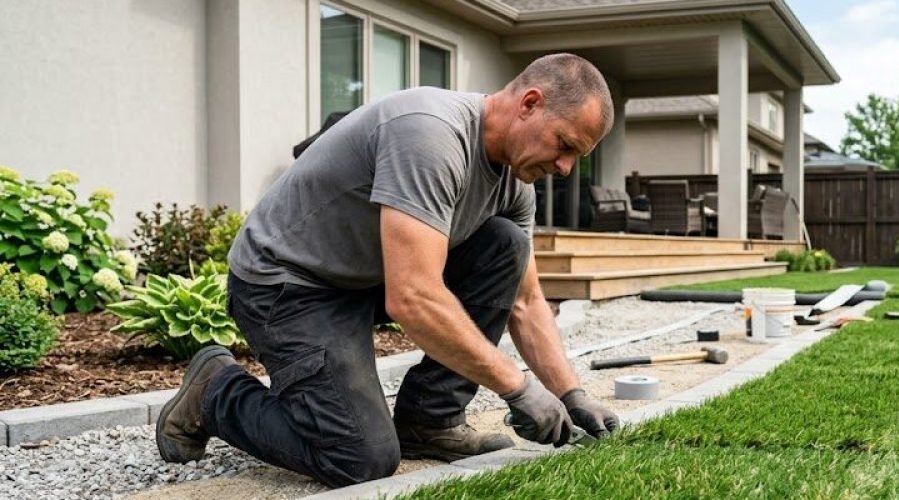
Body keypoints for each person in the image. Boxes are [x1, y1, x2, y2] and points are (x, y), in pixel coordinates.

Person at [153, 53, 621, 487]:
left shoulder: (516, 184)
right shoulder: (430, 134)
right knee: (361, 458)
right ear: (530, 104)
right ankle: (217, 391)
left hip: (359, 277)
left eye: (575, 156)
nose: (564, 167)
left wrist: (570, 394)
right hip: (286, 284)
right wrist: (518, 388)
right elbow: (413, 295)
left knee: (505, 245)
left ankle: (429, 422)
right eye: (564, 145)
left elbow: (525, 299)